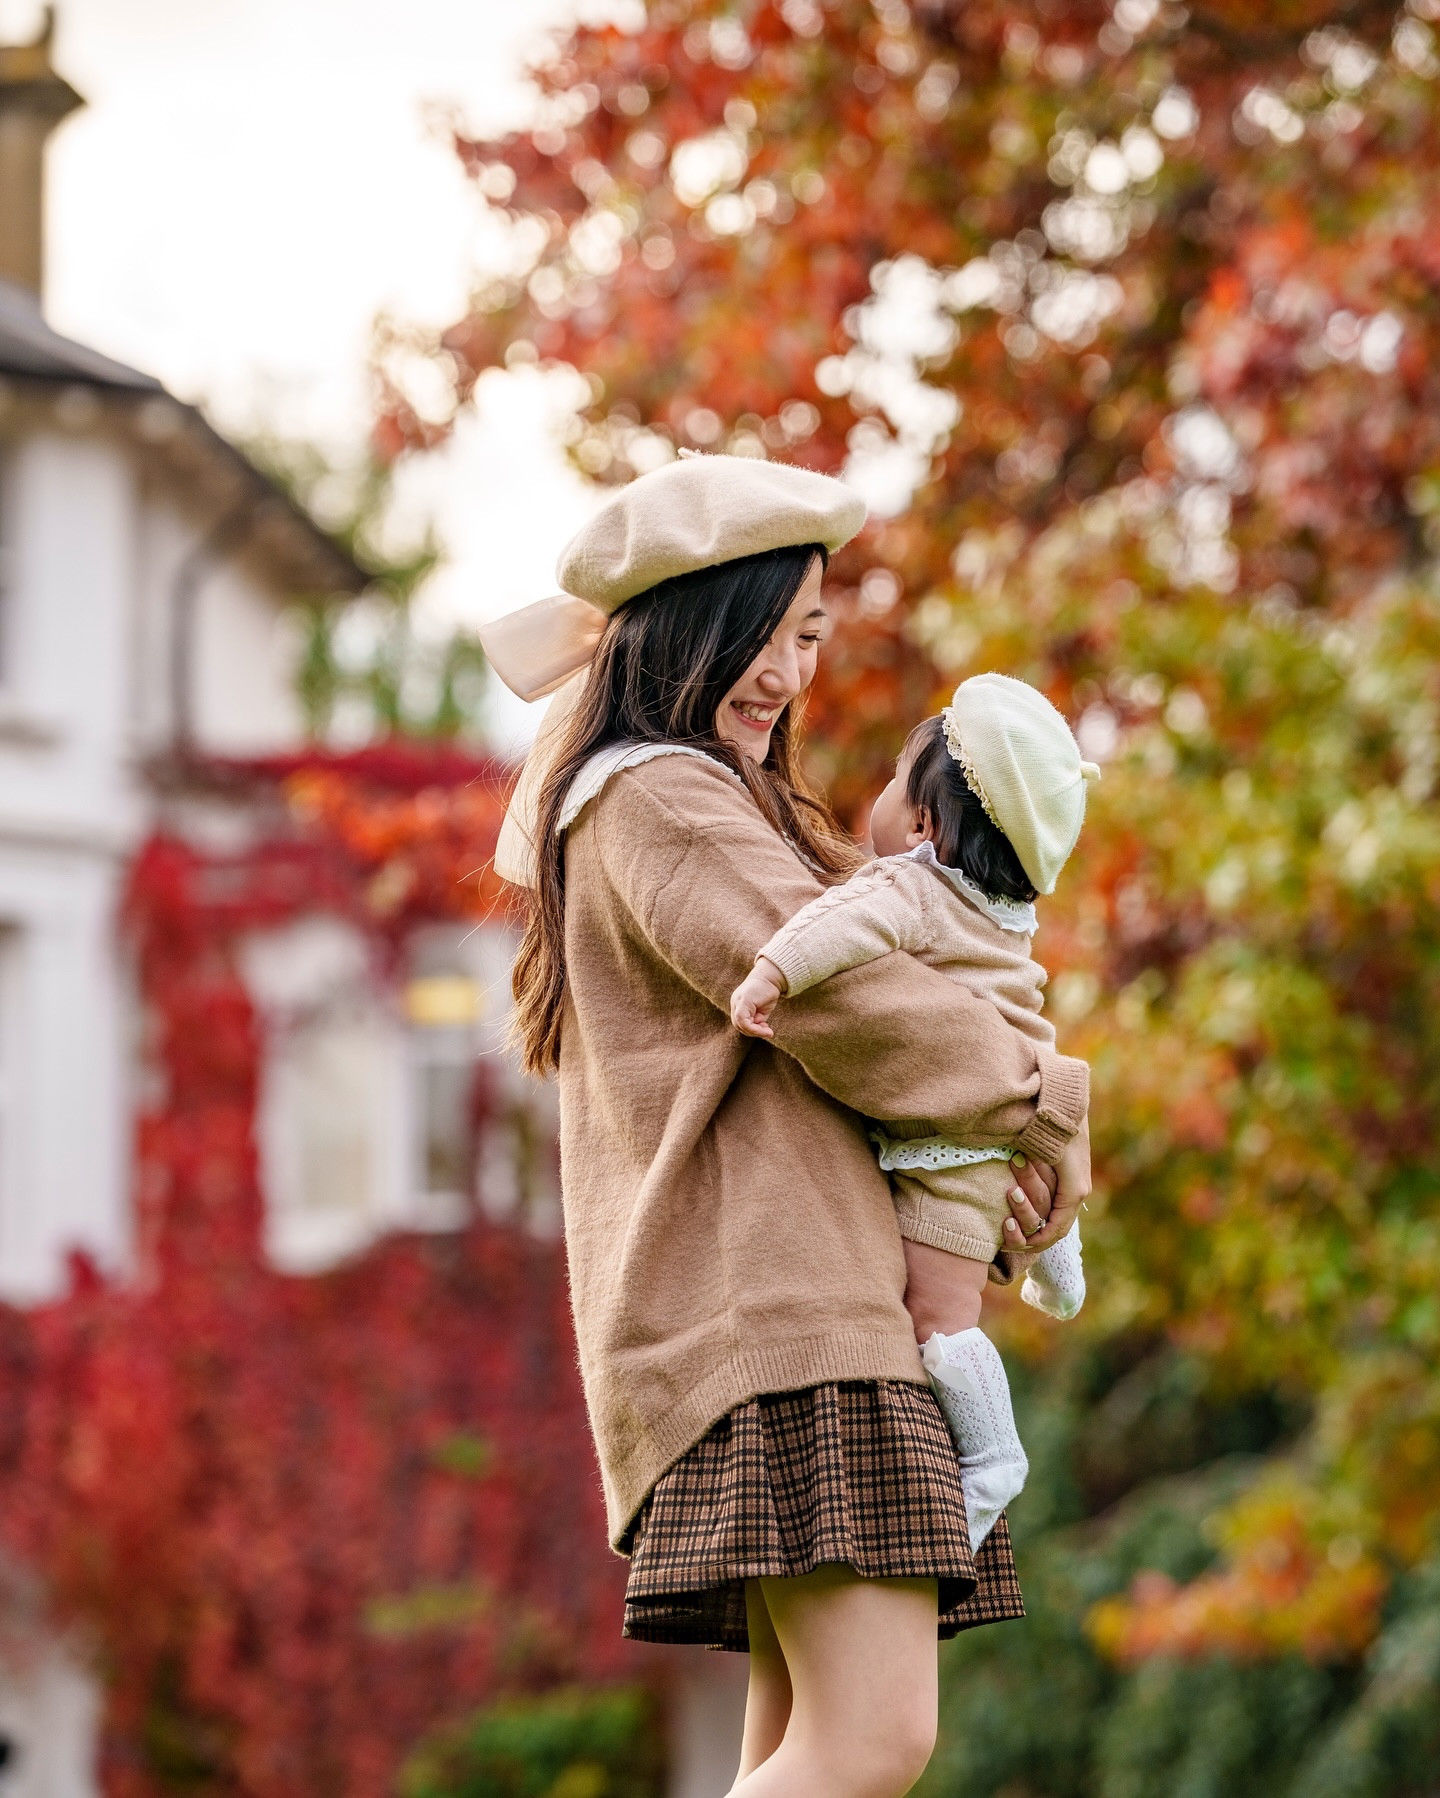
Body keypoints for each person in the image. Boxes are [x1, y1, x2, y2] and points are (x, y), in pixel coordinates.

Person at [481, 453, 1091, 1798]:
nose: (793, 670)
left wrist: (989, 1167)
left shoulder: (711, 798)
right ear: (694, 623)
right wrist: (1047, 1100)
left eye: (812, 633)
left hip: (783, 1304)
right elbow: (844, 998)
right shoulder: (657, 794)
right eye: (772, 629)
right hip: (778, 1312)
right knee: (871, 1739)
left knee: (793, 1745)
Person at [730, 674, 1098, 1550]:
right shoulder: (1004, 910)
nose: (883, 798)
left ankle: (995, 1457)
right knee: (1030, 1195)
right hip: (1016, 1118)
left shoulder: (912, 888)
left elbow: (840, 926)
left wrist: (769, 972)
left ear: (927, 825)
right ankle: (1064, 1265)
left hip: (953, 1155)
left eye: (898, 782)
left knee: (941, 1319)